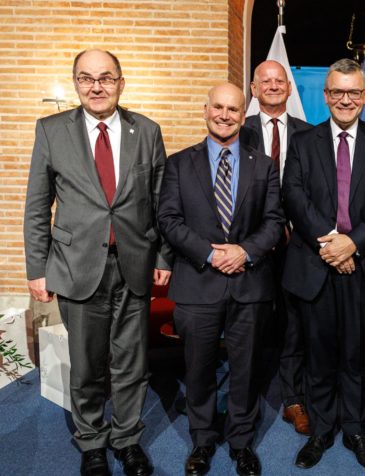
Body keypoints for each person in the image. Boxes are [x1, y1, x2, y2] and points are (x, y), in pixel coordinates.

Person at [24, 49, 172, 476]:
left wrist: (162, 254)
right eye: (86, 78)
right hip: (75, 266)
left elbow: (161, 202)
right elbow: (37, 204)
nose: (97, 86)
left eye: (106, 78)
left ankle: (127, 440)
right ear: (75, 83)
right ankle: (91, 443)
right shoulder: (51, 130)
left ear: (121, 83)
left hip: (134, 264)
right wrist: (37, 267)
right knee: (87, 366)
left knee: (132, 363)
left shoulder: (146, 130)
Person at [281, 58, 365, 471]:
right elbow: (294, 196)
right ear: (326, 95)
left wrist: (353, 243)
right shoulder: (303, 140)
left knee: (355, 355)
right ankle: (321, 430)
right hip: (316, 263)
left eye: (354, 92)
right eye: (337, 92)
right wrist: (332, 244)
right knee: (318, 355)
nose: (345, 99)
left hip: (364, 264)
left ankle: (354, 430)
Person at [157, 82, 284, 476]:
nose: (225, 115)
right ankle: (202, 441)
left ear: (242, 113)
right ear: (206, 109)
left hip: (249, 282)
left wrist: (244, 252)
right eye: (218, 107)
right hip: (198, 281)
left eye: (233, 109)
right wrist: (211, 253)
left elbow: (275, 221)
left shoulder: (263, 165)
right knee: (198, 368)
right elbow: (168, 220)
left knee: (245, 369)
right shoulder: (178, 164)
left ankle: (242, 442)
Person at [242, 59, 313, 435]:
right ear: (253, 89)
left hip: (296, 245)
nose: (272, 86)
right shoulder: (238, 130)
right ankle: (244, 401)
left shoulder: (308, 134)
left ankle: (292, 399)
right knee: (248, 324)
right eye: (264, 81)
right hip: (250, 246)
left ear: (288, 88)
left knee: (292, 326)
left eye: (278, 81)